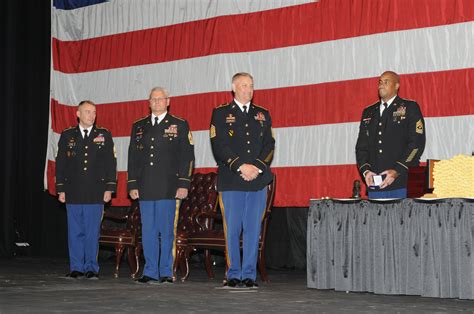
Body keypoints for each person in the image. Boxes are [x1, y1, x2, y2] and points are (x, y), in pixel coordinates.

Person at [210, 72, 275, 288]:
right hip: (231, 179)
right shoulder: (220, 113)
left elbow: (269, 145)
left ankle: (249, 274)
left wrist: (256, 167)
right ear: (234, 87)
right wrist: (240, 166)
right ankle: (233, 273)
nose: (249, 89)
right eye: (244, 85)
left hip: (257, 179)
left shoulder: (262, 114)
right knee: (233, 228)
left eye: (251, 85)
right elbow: (219, 145)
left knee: (252, 228)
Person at [128, 87, 194, 284]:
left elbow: (187, 157)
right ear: (148, 102)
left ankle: (166, 271)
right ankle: (150, 271)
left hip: (169, 186)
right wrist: (132, 183)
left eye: (160, 99)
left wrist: (184, 183)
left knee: (166, 230)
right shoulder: (139, 126)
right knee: (148, 230)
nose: (156, 102)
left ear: (168, 101)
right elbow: (133, 157)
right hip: (145, 185)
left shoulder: (179, 124)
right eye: (153, 99)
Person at [55, 100, 117, 279]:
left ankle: (91, 267)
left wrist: (109, 188)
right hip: (73, 191)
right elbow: (61, 164)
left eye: (94, 112)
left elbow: (110, 163)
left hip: (95, 192)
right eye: (88, 112)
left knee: (92, 232)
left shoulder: (103, 134)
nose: (92, 115)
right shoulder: (67, 135)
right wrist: (61, 189)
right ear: (78, 114)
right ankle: (76, 267)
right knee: (75, 231)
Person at [355, 71, 426, 199]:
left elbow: (416, 144)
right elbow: (361, 147)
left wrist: (397, 170)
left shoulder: (409, 107)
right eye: (380, 82)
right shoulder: (368, 112)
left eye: (386, 81)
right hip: (374, 184)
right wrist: (366, 171)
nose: (381, 85)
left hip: (402, 182)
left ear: (397, 86)